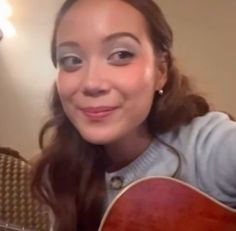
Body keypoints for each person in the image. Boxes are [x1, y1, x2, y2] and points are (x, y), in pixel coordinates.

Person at [31, 0, 236, 230]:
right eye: (71, 60)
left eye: (121, 54)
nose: (91, 83)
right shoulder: (60, 173)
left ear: (161, 71)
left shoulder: (207, 147)